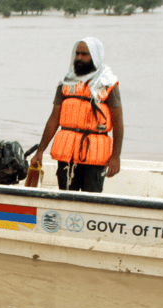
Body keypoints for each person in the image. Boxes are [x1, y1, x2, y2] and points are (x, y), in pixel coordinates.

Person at [30, 37, 123, 193]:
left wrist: (115, 156)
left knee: (91, 199)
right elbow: (54, 119)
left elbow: (118, 123)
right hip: (67, 152)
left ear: (95, 56)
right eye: (77, 54)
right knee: (65, 195)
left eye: (85, 54)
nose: (79, 58)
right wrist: (40, 151)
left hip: (95, 152)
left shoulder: (108, 83)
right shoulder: (66, 83)